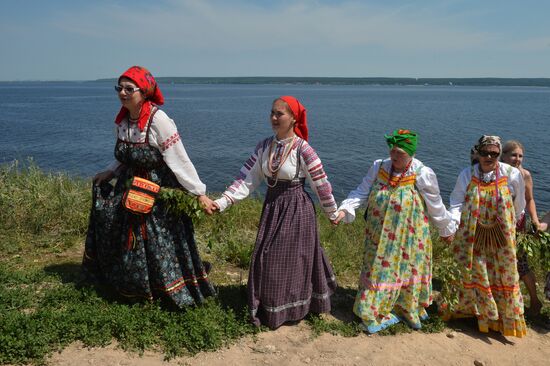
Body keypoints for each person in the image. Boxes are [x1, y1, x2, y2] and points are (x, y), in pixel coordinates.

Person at [82, 66, 216, 308]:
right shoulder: (123, 120)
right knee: (125, 234)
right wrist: (110, 171)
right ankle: (133, 286)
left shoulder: (159, 120)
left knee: (157, 238)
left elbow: (179, 159)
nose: (122, 93)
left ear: (143, 92)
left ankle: (163, 289)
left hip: (157, 191)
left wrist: (199, 193)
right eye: (119, 88)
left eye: (128, 88)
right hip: (128, 188)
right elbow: (125, 156)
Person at [211, 96, 338, 329]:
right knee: (267, 258)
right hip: (273, 207)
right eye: (272, 113)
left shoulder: (303, 149)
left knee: (294, 260)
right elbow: (246, 179)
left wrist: (332, 212)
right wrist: (223, 202)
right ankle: (271, 308)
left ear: (293, 118)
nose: (273, 118)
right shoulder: (264, 146)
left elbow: (320, 183)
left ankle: (295, 308)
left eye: (279, 114)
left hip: (296, 209)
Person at [333, 129, 456, 333]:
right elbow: (362, 191)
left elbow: (436, 205)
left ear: (411, 153)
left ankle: (407, 308)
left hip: (411, 237)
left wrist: (446, 228)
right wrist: (345, 209)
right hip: (379, 236)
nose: (395, 156)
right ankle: (373, 312)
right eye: (393, 151)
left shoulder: (422, 173)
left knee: (409, 269)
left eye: (400, 153)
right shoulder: (379, 166)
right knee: (379, 269)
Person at [448, 135, 526, 337]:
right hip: (472, 234)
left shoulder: (512, 174)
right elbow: (456, 202)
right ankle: (473, 314)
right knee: (475, 270)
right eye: (485, 153)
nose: (489, 157)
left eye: (494, 153)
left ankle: (501, 319)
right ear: (478, 153)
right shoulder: (467, 174)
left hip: (501, 236)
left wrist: (509, 224)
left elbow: (519, 205)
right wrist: (453, 225)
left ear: (499, 154)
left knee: (503, 272)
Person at [501, 140, 547, 316]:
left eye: (520, 156)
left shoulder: (525, 175)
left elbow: (530, 199)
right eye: (513, 155)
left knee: (521, 264)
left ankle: (535, 302)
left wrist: (535, 220)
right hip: (497, 224)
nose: (517, 159)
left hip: (517, 225)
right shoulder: (495, 173)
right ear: (503, 155)